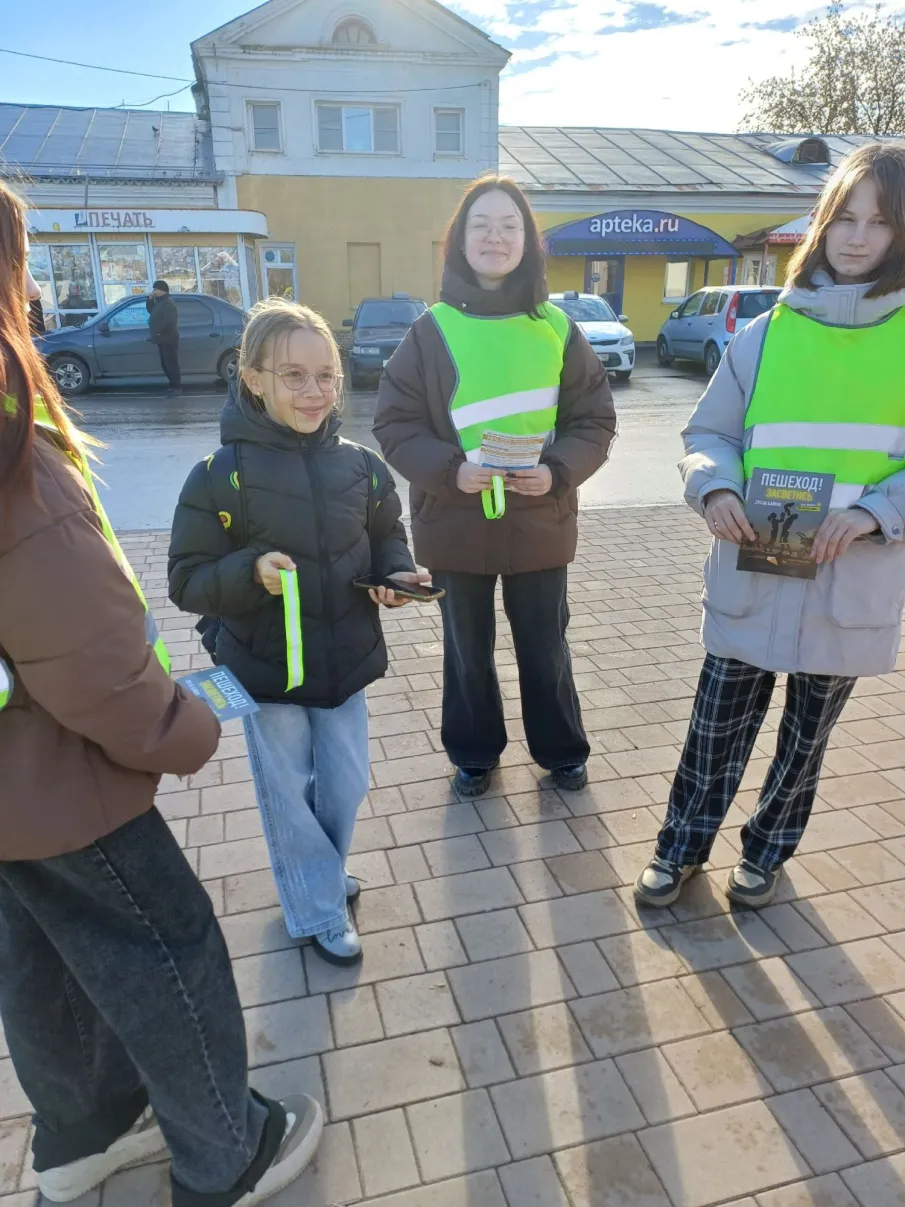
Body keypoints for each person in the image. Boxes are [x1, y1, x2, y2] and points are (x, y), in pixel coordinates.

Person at [0, 182, 323, 1206]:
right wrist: (179, 725)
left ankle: (84, 1133)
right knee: (166, 946)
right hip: (55, 771)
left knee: (44, 956)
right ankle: (224, 1150)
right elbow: (83, 645)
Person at [636, 141, 905, 911]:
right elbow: (706, 434)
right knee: (714, 727)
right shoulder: (763, 335)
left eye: (879, 223)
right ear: (820, 225)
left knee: (804, 742)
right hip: (753, 567)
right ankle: (678, 849)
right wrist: (713, 489)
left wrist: (872, 512)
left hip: (849, 579)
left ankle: (765, 853)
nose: (855, 238)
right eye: (843, 218)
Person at [169, 298, 423, 966]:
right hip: (264, 667)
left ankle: (320, 870)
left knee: (346, 782)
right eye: (292, 375)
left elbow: (384, 537)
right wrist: (250, 569)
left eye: (326, 376)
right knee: (287, 791)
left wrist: (395, 577)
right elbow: (187, 578)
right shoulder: (217, 475)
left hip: (347, 659)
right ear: (251, 377)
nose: (313, 391)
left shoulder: (362, 466)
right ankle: (314, 905)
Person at [374, 176, 617, 799]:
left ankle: (562, 751)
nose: (495, 237)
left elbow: (594, 420)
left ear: (528, 242)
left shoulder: (558, 328)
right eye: (481, 224)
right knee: (466, 650)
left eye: (509, 225)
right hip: (455, 521)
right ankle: (475, 753)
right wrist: (450, 470)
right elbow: (394, 423)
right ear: (459, 240)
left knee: (545, 646)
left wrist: (558, 472)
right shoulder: (431, 330)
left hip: (540, 517)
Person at [147, 279, 181, 397]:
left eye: (155, 289)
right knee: (165, 363)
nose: (153, 292)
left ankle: (176, 387)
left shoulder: (168, 303)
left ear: (162, 290)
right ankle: (172, 386)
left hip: (168, 339)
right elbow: (151, 311)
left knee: (171, 363)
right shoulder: (160, 302)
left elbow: (168, 321)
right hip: (162, 339)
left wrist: (158, 332)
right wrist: (150, 300)